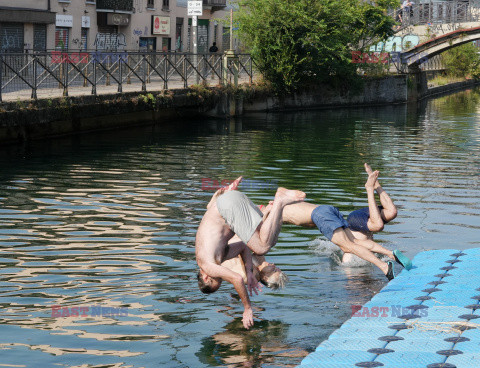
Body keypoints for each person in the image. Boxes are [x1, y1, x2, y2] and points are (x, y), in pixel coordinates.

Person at [260, 165, 411, 281]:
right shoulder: (279, 208)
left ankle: (384, 267)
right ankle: (391, 255)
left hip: (320, 215)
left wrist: (266, 212)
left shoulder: (272, 211)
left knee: (348, 246)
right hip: (326, 211)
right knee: (354, 242)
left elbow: (264, 232)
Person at [196, 176, 305, 329]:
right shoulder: (218, 256)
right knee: (268, 239)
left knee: (261, 247)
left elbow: (236, 279)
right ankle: (280, 205)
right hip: (231, 201)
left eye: (218, 280)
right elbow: (243, 246)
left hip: (226, 207)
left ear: (206, 276)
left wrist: (247, 308)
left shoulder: (206, 265)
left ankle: (280, 200)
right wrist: (248, 271)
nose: (221, 277)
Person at [221, 248, 289, 290]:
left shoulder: (253, 275)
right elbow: (256, 246)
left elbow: (241, 249)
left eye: (274, 270)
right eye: (276, 267)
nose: (273, 264)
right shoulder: (261, 264)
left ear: (265, 278)